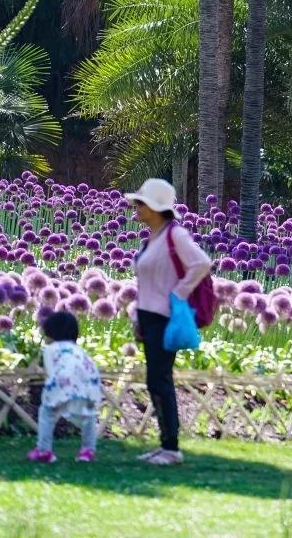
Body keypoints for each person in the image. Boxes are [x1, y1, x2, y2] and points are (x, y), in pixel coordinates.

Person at [125, 178, 211, 466]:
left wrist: (178, 293)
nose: (135, 207)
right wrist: (138, 315)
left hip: (164, 317)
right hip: (149, 316)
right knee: (154, 380)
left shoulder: (176, 235)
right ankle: (165, 445)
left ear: (155, 207)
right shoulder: (152, 237)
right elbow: (146, 283)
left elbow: (201, 263)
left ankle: (171, 448)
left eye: (140, 203)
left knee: (160, 379)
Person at [27, 311, 102, 464]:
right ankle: (87, 451)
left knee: (47, 413)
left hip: (64, 384)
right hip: (87, 387)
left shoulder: (50, 349)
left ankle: (44, 450)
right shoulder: (79, 350)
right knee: (88, 417)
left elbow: (52, 370)